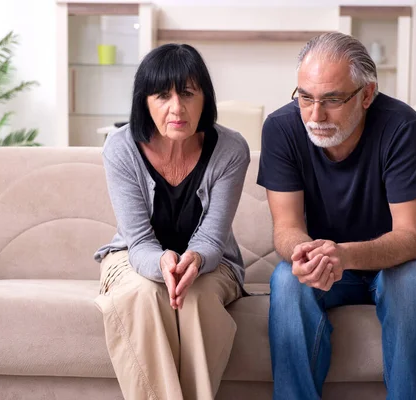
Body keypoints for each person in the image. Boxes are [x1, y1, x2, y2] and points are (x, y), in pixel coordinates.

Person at [257, 32, 416, 400]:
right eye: (305, 98)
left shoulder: (402, 127)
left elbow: (412, 237)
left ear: (366, 94)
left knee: (405, 283)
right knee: (287, 279)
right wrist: (305, 254)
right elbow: (286, 228)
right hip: (328, 264)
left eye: (331, 100)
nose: (315, 115)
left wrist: (343, 254)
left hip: (412, 261)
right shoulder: (281, 129)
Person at [93, 43, 250, 400]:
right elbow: (138, 242)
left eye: (188, 94)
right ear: (144, 102)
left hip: (212, 262)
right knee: (143, 292)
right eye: (162, 95)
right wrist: (161, 261)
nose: (176, 108)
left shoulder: (231, 149)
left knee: (195, 297)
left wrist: (193, 260)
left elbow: (212, 239)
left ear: (205, 99)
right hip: (133, 254)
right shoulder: (120, 147)